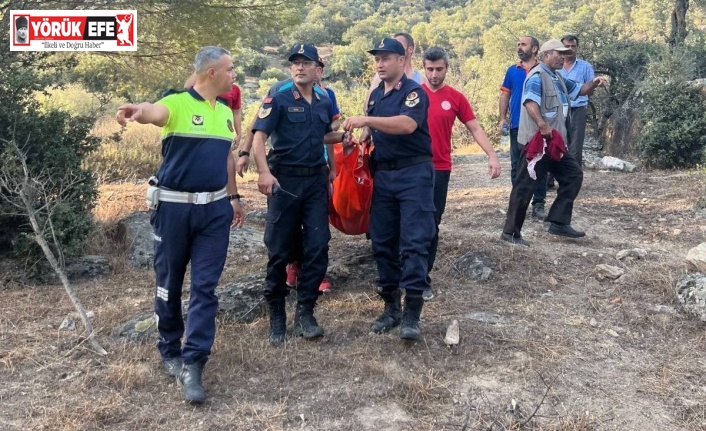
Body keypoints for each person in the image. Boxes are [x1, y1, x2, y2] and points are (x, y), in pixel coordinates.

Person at [116, 46, 245, 404]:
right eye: (230, 69)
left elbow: (227, 161)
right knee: (170, 283)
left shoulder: (223, 113)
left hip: (214, 212)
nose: (235, 75)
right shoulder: (177, 103)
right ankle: (170, 348)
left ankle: (194, 362)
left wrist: (233, 199)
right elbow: (153, 112)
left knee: (206, 287)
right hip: (173, 210)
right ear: (210, 74)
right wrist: (137, 111)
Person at [251, 43, 350, 346]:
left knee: (319, 245)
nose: (299, 67)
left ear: (317, 68)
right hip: (286, 181)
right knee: (280, 249)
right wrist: (264, 172)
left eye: (305, 63)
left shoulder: (322, 101)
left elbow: (322, 135)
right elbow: (259, 138)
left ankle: (306, 312)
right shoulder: (278, 100)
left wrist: (342, 136)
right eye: (295, 63)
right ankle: (278, 314)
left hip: (315, 181)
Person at [343, 38, 435, 342]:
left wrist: (367, 120)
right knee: (382, 242)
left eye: (386, 58)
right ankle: (391, 308)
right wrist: (360, 136)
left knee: (414, 243)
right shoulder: (375, 97)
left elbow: (407, 125)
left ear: (401, 60)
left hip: (414, 174)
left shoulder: (413, 92)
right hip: (383, 176)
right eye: (377, 59)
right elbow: (372, 132)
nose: (380, 64)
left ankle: (412, 313)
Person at [500, 40, 606, 247]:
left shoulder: (557, 77)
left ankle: (558, 221)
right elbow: (530, 102)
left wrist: (594, 83)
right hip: (537, 142)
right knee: (524, 186)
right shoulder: (538, 76)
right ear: (547, 55)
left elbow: (581, 90)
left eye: (566, 53)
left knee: (573, 175)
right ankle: (510, 233)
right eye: (560, 53)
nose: (564, 57)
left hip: (554, 143)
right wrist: (542, 125)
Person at [421, 46, 502, 300]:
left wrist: (491, 155)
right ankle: (402, 273)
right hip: (411, 168)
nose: (434, 74)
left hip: (439, 168)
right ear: (423, 68)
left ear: (447, 68)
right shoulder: (412, 94)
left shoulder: (455, 97)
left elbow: (475, 129)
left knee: (431, 223)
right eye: (429, 69)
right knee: (407, 222)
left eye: (439, 69)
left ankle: (423, 278)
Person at [285, 56, 342, 293]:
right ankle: (293, 264)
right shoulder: (282, 93)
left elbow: (329, 131)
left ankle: (318, 271)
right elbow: (260, 128)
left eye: (316, 67)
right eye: (302, 64)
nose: (310, 70)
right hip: (290, 169)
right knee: (291, 224)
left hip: (319, 166)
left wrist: (334, 167)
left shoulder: (327, 97)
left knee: (317, 224)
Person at [498, 36, 548, 220]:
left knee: (539, 163)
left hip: (538, 125)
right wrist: (503, 118)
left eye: (523, 44)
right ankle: (518, 201)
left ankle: (539, 204)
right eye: (518, 44)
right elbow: (505, 96)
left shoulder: (543, 70)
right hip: (517, 124)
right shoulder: (512, 70)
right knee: (517, 165)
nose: (519, 47)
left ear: (534, 49)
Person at [363, 32, 426, 111]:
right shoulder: (380, 77)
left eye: (399, 44)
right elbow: (367, 108)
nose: (380, 64)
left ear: (410, 49)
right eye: (377, 60)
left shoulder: (421, 79)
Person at [559, 35, 595, 168]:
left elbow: (591, 90)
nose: (570, 49)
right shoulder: (555, 66)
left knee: (575, 146)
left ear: (577, 48)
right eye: (566, 46)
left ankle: (572, 182)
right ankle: (549, 181)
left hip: (578, 109)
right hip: (557, 110)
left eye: (573, 46)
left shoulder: (585, 66)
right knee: (555, 144)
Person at [185, 73, 243, 151]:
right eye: (229, 70)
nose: (234, 75)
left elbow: (236, 113)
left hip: (223, 130)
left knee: (224, 157)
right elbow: (187, 87)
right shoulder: (206, 86)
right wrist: (204, 63)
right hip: (201, 128)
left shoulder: (234, 89)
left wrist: (239, 134)